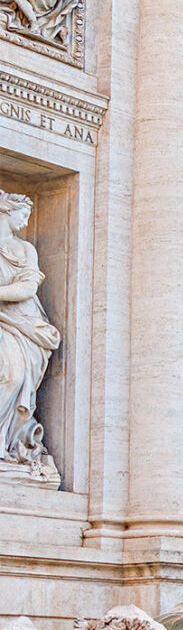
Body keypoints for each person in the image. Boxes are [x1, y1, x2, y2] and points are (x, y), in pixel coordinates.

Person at [0, 190, 60, 471]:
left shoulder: (25, 250)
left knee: (15, 376)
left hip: (21, 322)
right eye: (22, 215)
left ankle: (6, 444)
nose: (25, 223)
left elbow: (28, 287)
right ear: (6, 211)